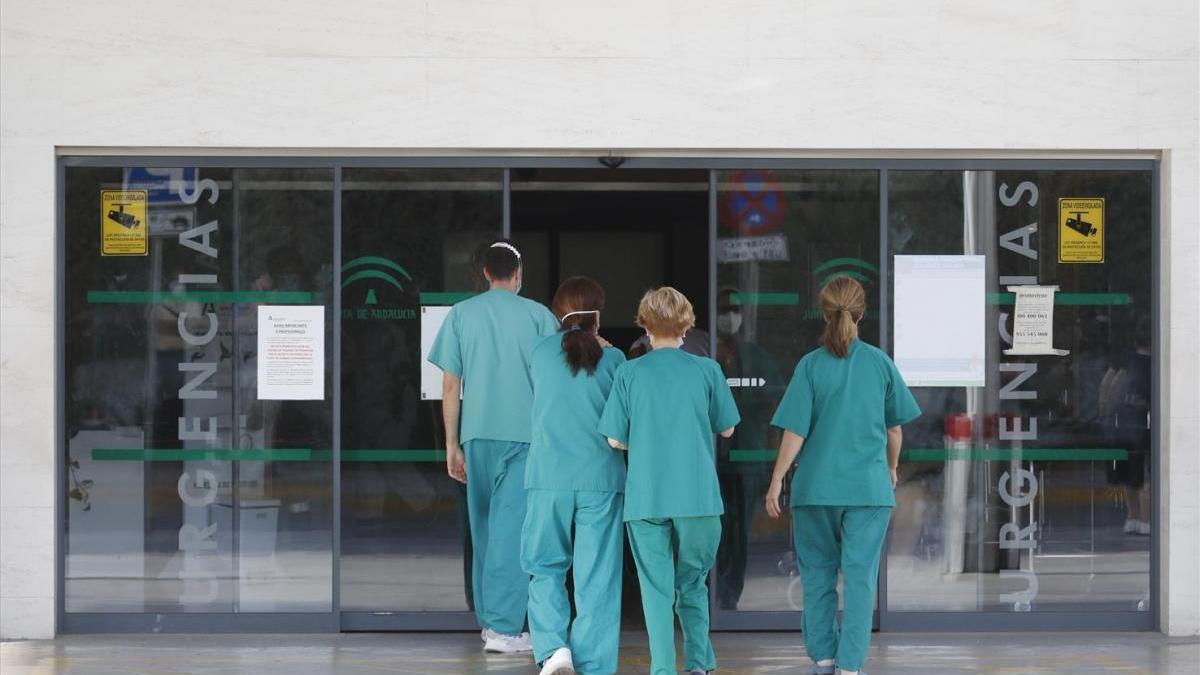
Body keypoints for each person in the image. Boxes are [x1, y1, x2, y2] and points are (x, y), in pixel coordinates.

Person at [764, 276, 920, 675]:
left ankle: (823, 659)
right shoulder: (879, 363)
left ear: (824, 312)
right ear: (862, 313)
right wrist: (890, 467)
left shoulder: (810, 366)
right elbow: (895, 429)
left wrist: (778, 479)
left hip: (815, 491)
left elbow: (794, 431)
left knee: (818, 578)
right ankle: (850, 667)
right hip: (868, 492)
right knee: (860, 579)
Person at [599, 287, 740, 675]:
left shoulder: (629, 372)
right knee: (692, 582)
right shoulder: (708, 370)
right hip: (698, 497)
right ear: (687, 325)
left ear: (644, 325)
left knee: (655, 589)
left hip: (647, 496)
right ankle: (699, 663)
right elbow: (727, 429)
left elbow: (614, 438)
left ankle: (663, 669)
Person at [427, 239, 559, 654]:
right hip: (526, 435)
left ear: (485, 273)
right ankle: (503, 629)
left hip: (477, 434)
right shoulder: (539, 316)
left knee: (484, 528)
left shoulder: (462, 314)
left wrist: (451, 444)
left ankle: (491, 621)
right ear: (518, 274)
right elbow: (554, 381)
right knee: (511, 528)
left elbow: (451, 383)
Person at [522, 276, 627, 675]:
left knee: (545, 565)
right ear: (598, 315)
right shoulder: (615, 361)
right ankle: (593, 665)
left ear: (557, 314)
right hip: (601, 477)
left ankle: (554, 650)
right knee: (597, 575)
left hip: (548, 474)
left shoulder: (539, 351)